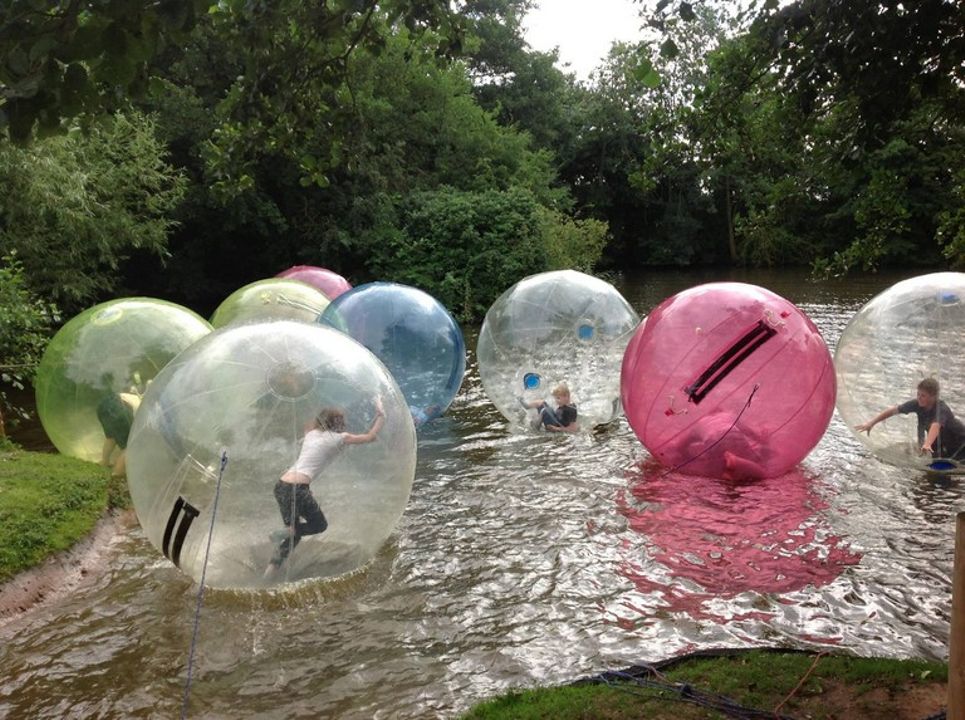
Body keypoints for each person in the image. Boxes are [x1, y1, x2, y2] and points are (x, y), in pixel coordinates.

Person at [265, 397, 386, 577]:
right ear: (338, 423)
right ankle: (281, 533)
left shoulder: (311, 433)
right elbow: (371, 437)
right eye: (342, 420)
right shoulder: (341, 438)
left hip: (282, 486)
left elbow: (311, 422)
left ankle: (270, 572)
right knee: (319, 525)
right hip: (298, 489)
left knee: (293, 537)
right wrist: (381, 414)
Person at [855, 377, 965, 459]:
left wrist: (927, 443)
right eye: (918, 394)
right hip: (940, 442)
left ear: (933, 397)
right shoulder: (916, 404)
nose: (919, 398)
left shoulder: (941, 408)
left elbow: (935, 426)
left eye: (923, 395)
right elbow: (893, 411)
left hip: (960, 442)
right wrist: (871, 423)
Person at [96, 383, 143, 479]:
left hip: (104, 405)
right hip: (119, 408)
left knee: (111, 438)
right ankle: (117, 474)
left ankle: (104, 461)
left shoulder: (135, 397)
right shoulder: (144, 407)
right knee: (129, 446)